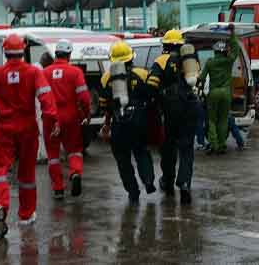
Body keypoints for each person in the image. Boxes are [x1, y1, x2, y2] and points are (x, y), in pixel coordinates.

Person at [0, 34, 59, 237]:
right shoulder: (34, 72)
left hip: (4, 129)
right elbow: (46, 99)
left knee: (1, 170)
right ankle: (26, 215)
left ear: (5, 51)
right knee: (26, 175)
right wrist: (52, 121)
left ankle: (0, 205)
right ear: (23, 49)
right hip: (27, 129)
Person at [99, 41, 158, 204]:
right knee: (141, 152)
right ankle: (148, 181)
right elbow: (151, 96)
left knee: (123, 160)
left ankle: (133, 192)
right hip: (139, 121)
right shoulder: (142, 74)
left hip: (119, 124)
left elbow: (104, 104)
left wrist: (107, 123)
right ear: (131, 58)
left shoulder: (107, 77)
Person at [150, 29, 199, 204]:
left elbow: (152, 85)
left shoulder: (160, 61)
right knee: (187, 149)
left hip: (171, 109)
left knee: (169, 148)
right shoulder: (190, 59)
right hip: (190, 106)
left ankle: (168, 182)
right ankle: (184, 183)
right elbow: (196, 79)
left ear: (165, 45)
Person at [42, 40, 91, 200]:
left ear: (55, 54)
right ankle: (75, 173)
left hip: (50, 118)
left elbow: (39, 97)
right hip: (70, 116)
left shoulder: (45, 72)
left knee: (53, 155)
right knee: (74, 150)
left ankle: (58, 189)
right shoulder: (75, 72)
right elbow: (84, 97)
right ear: (69, 55)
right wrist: (87, 114)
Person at [198, 29, 240, 155]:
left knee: (211, 120)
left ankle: (214, 145)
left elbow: (202, 78)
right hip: (226, 94)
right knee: (223, 120)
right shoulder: (229, 61)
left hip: (214, 93)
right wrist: (232, 35)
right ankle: (222, 146)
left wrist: (198, 88)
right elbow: (236, 49)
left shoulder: (210, 62)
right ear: (224, 51)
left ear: (215, 51)